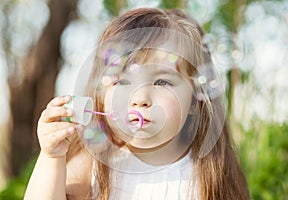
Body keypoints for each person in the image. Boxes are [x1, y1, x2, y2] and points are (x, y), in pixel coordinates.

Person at [24, 8, 250, 200]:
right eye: (122, 81)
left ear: (195, 99)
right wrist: (52, 157)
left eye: (162, 81)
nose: (140, 98)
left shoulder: (207, 171)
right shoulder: (95, 164)